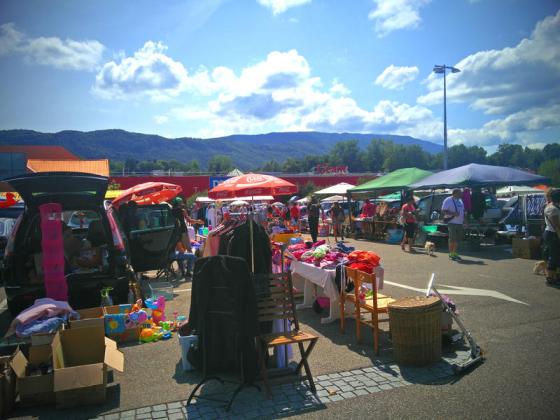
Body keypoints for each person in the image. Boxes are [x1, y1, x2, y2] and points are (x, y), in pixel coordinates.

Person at [442, 188, 466, 261]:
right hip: (452, 222)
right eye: (460, 193)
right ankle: (451, 254)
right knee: (452, 239)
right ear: (455, 193)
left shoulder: (460, 201)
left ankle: (454, 253)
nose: (461, 194)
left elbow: (463, 212)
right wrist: (453, 213)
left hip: (460, 223)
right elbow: (443, 211)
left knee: (457, 239)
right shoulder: (448, 200)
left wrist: (465, 221)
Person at [543, 188, 560, 284]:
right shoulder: (552, 208)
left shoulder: (556, 206)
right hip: (553, 234)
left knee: (557, 256)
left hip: (555, 234)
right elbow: (557, 225)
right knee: (554, 256)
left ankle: (556, 276)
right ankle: (550, 278)